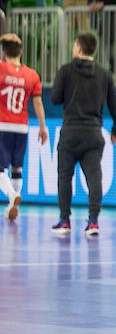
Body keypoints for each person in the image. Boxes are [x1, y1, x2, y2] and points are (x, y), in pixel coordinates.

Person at [50, 33, 116, 237]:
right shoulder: (104, 74)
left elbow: (55, 98)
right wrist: (115, 129)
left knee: (65, 176)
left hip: (70, 131)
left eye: (74, 45)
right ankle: (93, 222)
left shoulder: (66, 70)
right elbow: (115, 107)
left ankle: (64, 220)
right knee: (94, 176)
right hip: (93, 133)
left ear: (79, 48)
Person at [0, 34, 47, 222]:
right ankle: (13, 205)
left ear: (4, 52)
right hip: (21, 127)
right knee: (16, 167)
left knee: (0, 169)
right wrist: (43, 127)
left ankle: (12, 196)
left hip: (2, 125)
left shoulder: (1, 69)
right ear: (21, 51)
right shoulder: (32, 75)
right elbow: (38, 104)